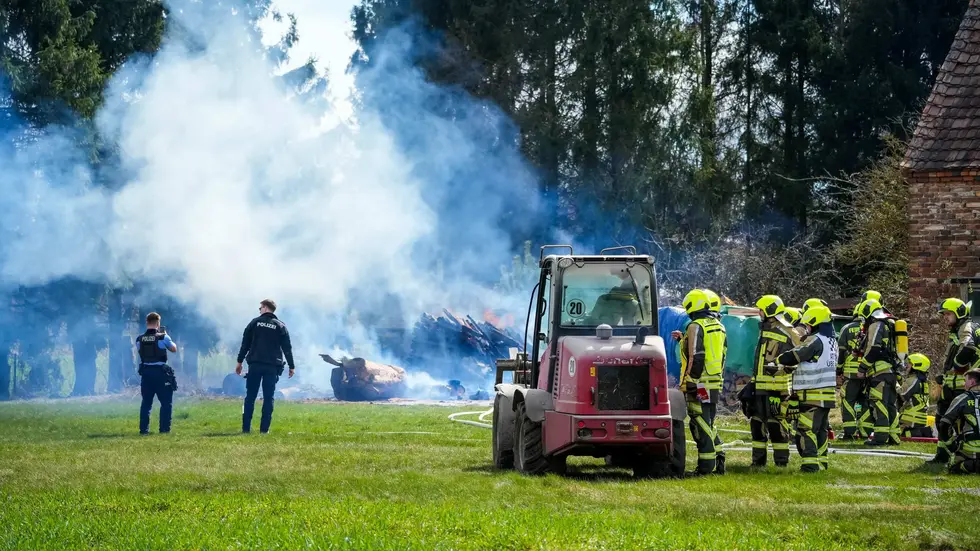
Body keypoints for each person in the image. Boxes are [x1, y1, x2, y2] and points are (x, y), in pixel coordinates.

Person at [773, 305, 838, 472]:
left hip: (812, 395)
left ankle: (810, 465)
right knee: (821, 430)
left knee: (806, 429)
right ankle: (821, 463)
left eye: (808, 325)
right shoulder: (832, 341)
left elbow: (796, 355)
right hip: (827, 395)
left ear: (815, 323)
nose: (807, 328)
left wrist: (778, 360)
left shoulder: (815, 340)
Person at [675, 289, 726, 475]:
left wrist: (691, 381)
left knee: (700, 422)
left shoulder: (695, 326)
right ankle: (719, 460)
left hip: (700, 383)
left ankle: (706, 467)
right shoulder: (719, 326)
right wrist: (683, 340)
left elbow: (697, 356)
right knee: (709, 421)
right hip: (714, 381)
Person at [750, 295, 800, 467]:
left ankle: (781, 462)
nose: (759, 313)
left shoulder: (788, 331)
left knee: (776, 425)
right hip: (759, 387)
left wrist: (783, 369)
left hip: (778, 389)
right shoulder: (764, 329)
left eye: (761, 310)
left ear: (769, 310)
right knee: (757, 424)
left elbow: (798, 358)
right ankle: (758, 462)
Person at [237, 299, 296, 434]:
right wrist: (291, 366)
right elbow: (287, 348)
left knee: (250, 397)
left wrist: (239, 361)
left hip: (255, 365)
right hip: (272, 367)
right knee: (269, 397)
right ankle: (264, 430)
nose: (259, 310)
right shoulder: (281, 326)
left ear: (265, 307)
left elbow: (245, 344)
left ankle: (246, 428)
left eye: (260, 308)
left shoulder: (254, 323)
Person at [930, 298, 977, 463]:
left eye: (948, 314)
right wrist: (944, 374)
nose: (945, 318)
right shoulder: (956, 330)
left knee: (958, 423)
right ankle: (942, 455)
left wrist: (956, 366)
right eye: (944, 314)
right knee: (941, 419)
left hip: (962, 386)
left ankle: (961, 455)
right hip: (951, 385)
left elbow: (968, 348)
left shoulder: (967, 327)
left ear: (959, 313)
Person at [856, 297, 900, 446]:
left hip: (879, 373)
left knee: (879, 405)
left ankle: (880, 438)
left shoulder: (876, 325)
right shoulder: (889, 324)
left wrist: (862, 368)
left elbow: (874, 348)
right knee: (890, 405)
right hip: (891, 372)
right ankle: (894, 436)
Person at [136, 312, 178, 435]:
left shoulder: (139, 339)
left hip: (146, 373)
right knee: (166, 403)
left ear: (147, 323)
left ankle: (144, 430)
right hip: (161, 373)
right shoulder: (163, 337)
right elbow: (173, 349)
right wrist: (167, 335)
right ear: (158, 323)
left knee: (146, 403)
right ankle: (164, 429)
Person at [938, 369, 980, 474]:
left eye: (965, 381)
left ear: (972, 382)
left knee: (954, 467)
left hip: (970, 452)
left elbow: (944, 424)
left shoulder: (962, 398)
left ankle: (968, 465)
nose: (963, 384)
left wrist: (952, 446)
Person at [838, 304, 871, 440]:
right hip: (868, 373)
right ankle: (866, 432)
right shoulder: (872, 327)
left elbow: (841, 351)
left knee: (848, 402)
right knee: (865, 402)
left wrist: (838, 369)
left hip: (851, 374)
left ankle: (850, 432)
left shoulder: (846, 328)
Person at [898, 353, 932, 438]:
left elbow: (903, 395)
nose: (907, 365)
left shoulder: (913, 380)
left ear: (916, 365)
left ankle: (917, 432)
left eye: (910, 363)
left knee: (895, 433)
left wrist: (894, 383)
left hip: (910, 421)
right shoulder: (922, 381)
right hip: (918, 420)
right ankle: (921, 431)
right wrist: (900, 380)